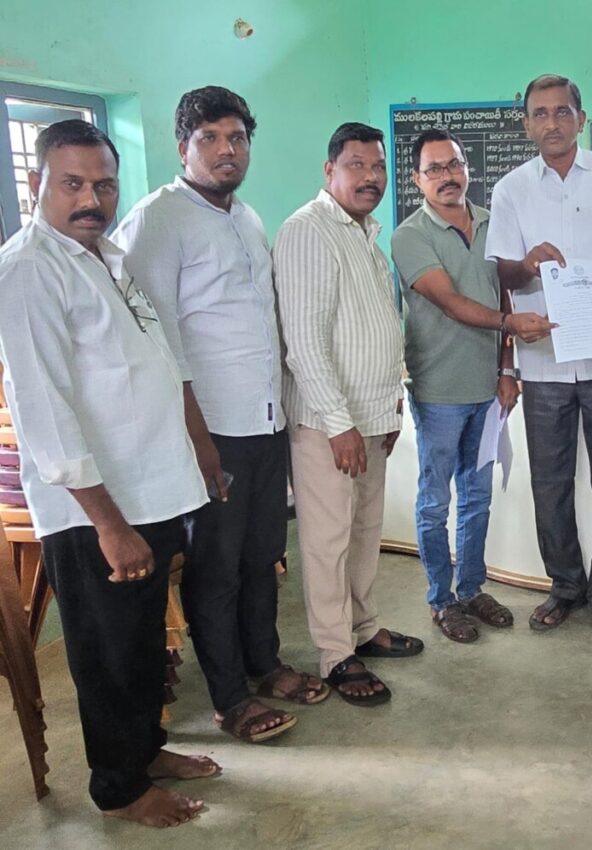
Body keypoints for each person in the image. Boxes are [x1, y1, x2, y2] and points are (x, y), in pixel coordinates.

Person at [0, 120, 218, 827]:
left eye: (103, 185)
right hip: (95, 512)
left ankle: (145, 749)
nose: (90, 199)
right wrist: (109, 525)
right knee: (108, 653)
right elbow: (45, 410)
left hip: (146, 491)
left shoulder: (105, 256)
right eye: (72, 184)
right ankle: (120, 789)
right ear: (37, 184)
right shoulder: (29, 270)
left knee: (142, 641)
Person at [114, 86, 326, 744]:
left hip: (264, 422)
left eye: (236, 138)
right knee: (217, 568)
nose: (225, 150)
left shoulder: (247, 217)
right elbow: (157, 342)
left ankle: (265, 664)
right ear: (183, 147)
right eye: (209, 138)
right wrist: (198, 440)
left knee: (264, 556)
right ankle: (230, 699)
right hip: (211, 432)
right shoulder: (158, 220)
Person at [274, 122, 422, 707]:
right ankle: (336, 653)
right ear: (329, 170)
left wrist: (390, 401)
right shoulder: (308, 230)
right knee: (328, 541)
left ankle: (364, 628)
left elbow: (372, 327)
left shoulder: (364, 234)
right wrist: (339, 425)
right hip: (329, 425)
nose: (370, 177)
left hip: (372, 418)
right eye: (356, 165)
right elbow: (305, 341)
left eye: (378, 166)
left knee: (364, 532)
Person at [486, 74, 592, 636]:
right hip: (544, 361)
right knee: (549, 482)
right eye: (540, 113)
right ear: (527, 124)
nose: (552, 122)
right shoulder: (511, 189)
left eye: (562, 111)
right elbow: (501, 275)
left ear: (581, 118)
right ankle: (565, 585)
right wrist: (527, 264)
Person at [392, 128, 553, 642]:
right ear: (417, 179)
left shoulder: (491, 222)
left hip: (487, 392)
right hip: (438, 392)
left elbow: (505, 292)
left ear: (467, 169)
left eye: (454, 165)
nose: (448, 176)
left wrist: (507, 370)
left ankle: (471, 589)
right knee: (435, 503)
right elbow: (450, 301)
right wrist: (510, 326)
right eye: (435, 169)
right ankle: (442, 601)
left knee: (478, 498)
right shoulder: (409, 236)